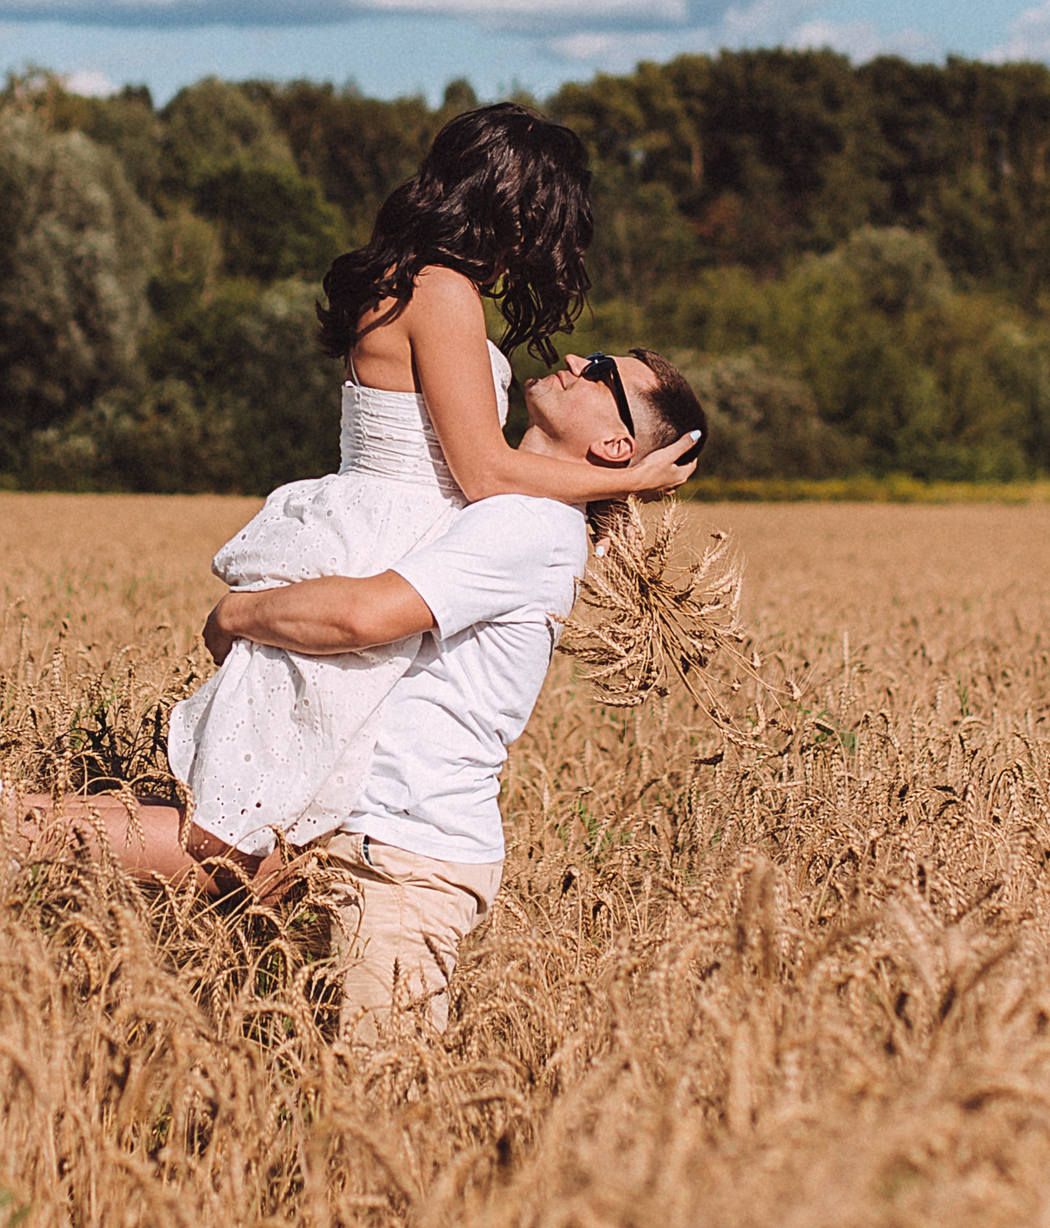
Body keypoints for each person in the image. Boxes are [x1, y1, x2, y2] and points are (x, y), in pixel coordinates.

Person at [0, 347, 706, 1040]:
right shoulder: (509, 508)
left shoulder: (528, 524)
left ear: (616, 445)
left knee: (380, 1114)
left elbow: (361, 617)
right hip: (348, 835)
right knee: (214, 903)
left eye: (604, 373)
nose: (579, 359)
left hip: (402, 858)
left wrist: (238, 614)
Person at [164, 105, 698, 874]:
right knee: (236, 841)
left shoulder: (411, 282)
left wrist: (581, 521)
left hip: (378, 535)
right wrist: (632, 478)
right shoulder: (441, 291)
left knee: (264, 843)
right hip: (382, 543)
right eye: (555, 220)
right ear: (518, 207)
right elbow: (483, 470)